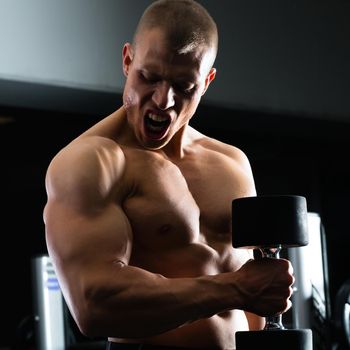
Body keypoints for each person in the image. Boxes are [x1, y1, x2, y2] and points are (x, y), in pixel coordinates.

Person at [43, 0, 294, 349]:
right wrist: (235, 289)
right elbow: (95, 304)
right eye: (150, 77)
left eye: (184, 86)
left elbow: (258, 298)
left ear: (206, 81)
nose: (163, 100)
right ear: (128, 60)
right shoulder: (93, 162)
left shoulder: (232, 163)